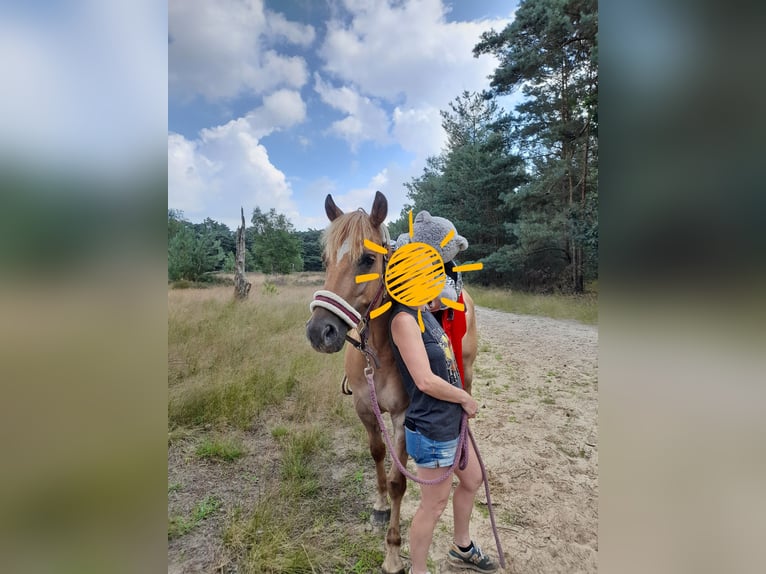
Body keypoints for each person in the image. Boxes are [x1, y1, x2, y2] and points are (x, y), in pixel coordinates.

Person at [389, 222, 499, 574]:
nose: (439, 277)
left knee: (473, 478)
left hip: (450, 421)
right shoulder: (404, 319)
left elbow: (452, 301)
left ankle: (461, 547)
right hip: (432, 428)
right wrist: (465, 399)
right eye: (432, 271)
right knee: (432, 507)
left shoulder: (424, 309)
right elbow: (424, 379)